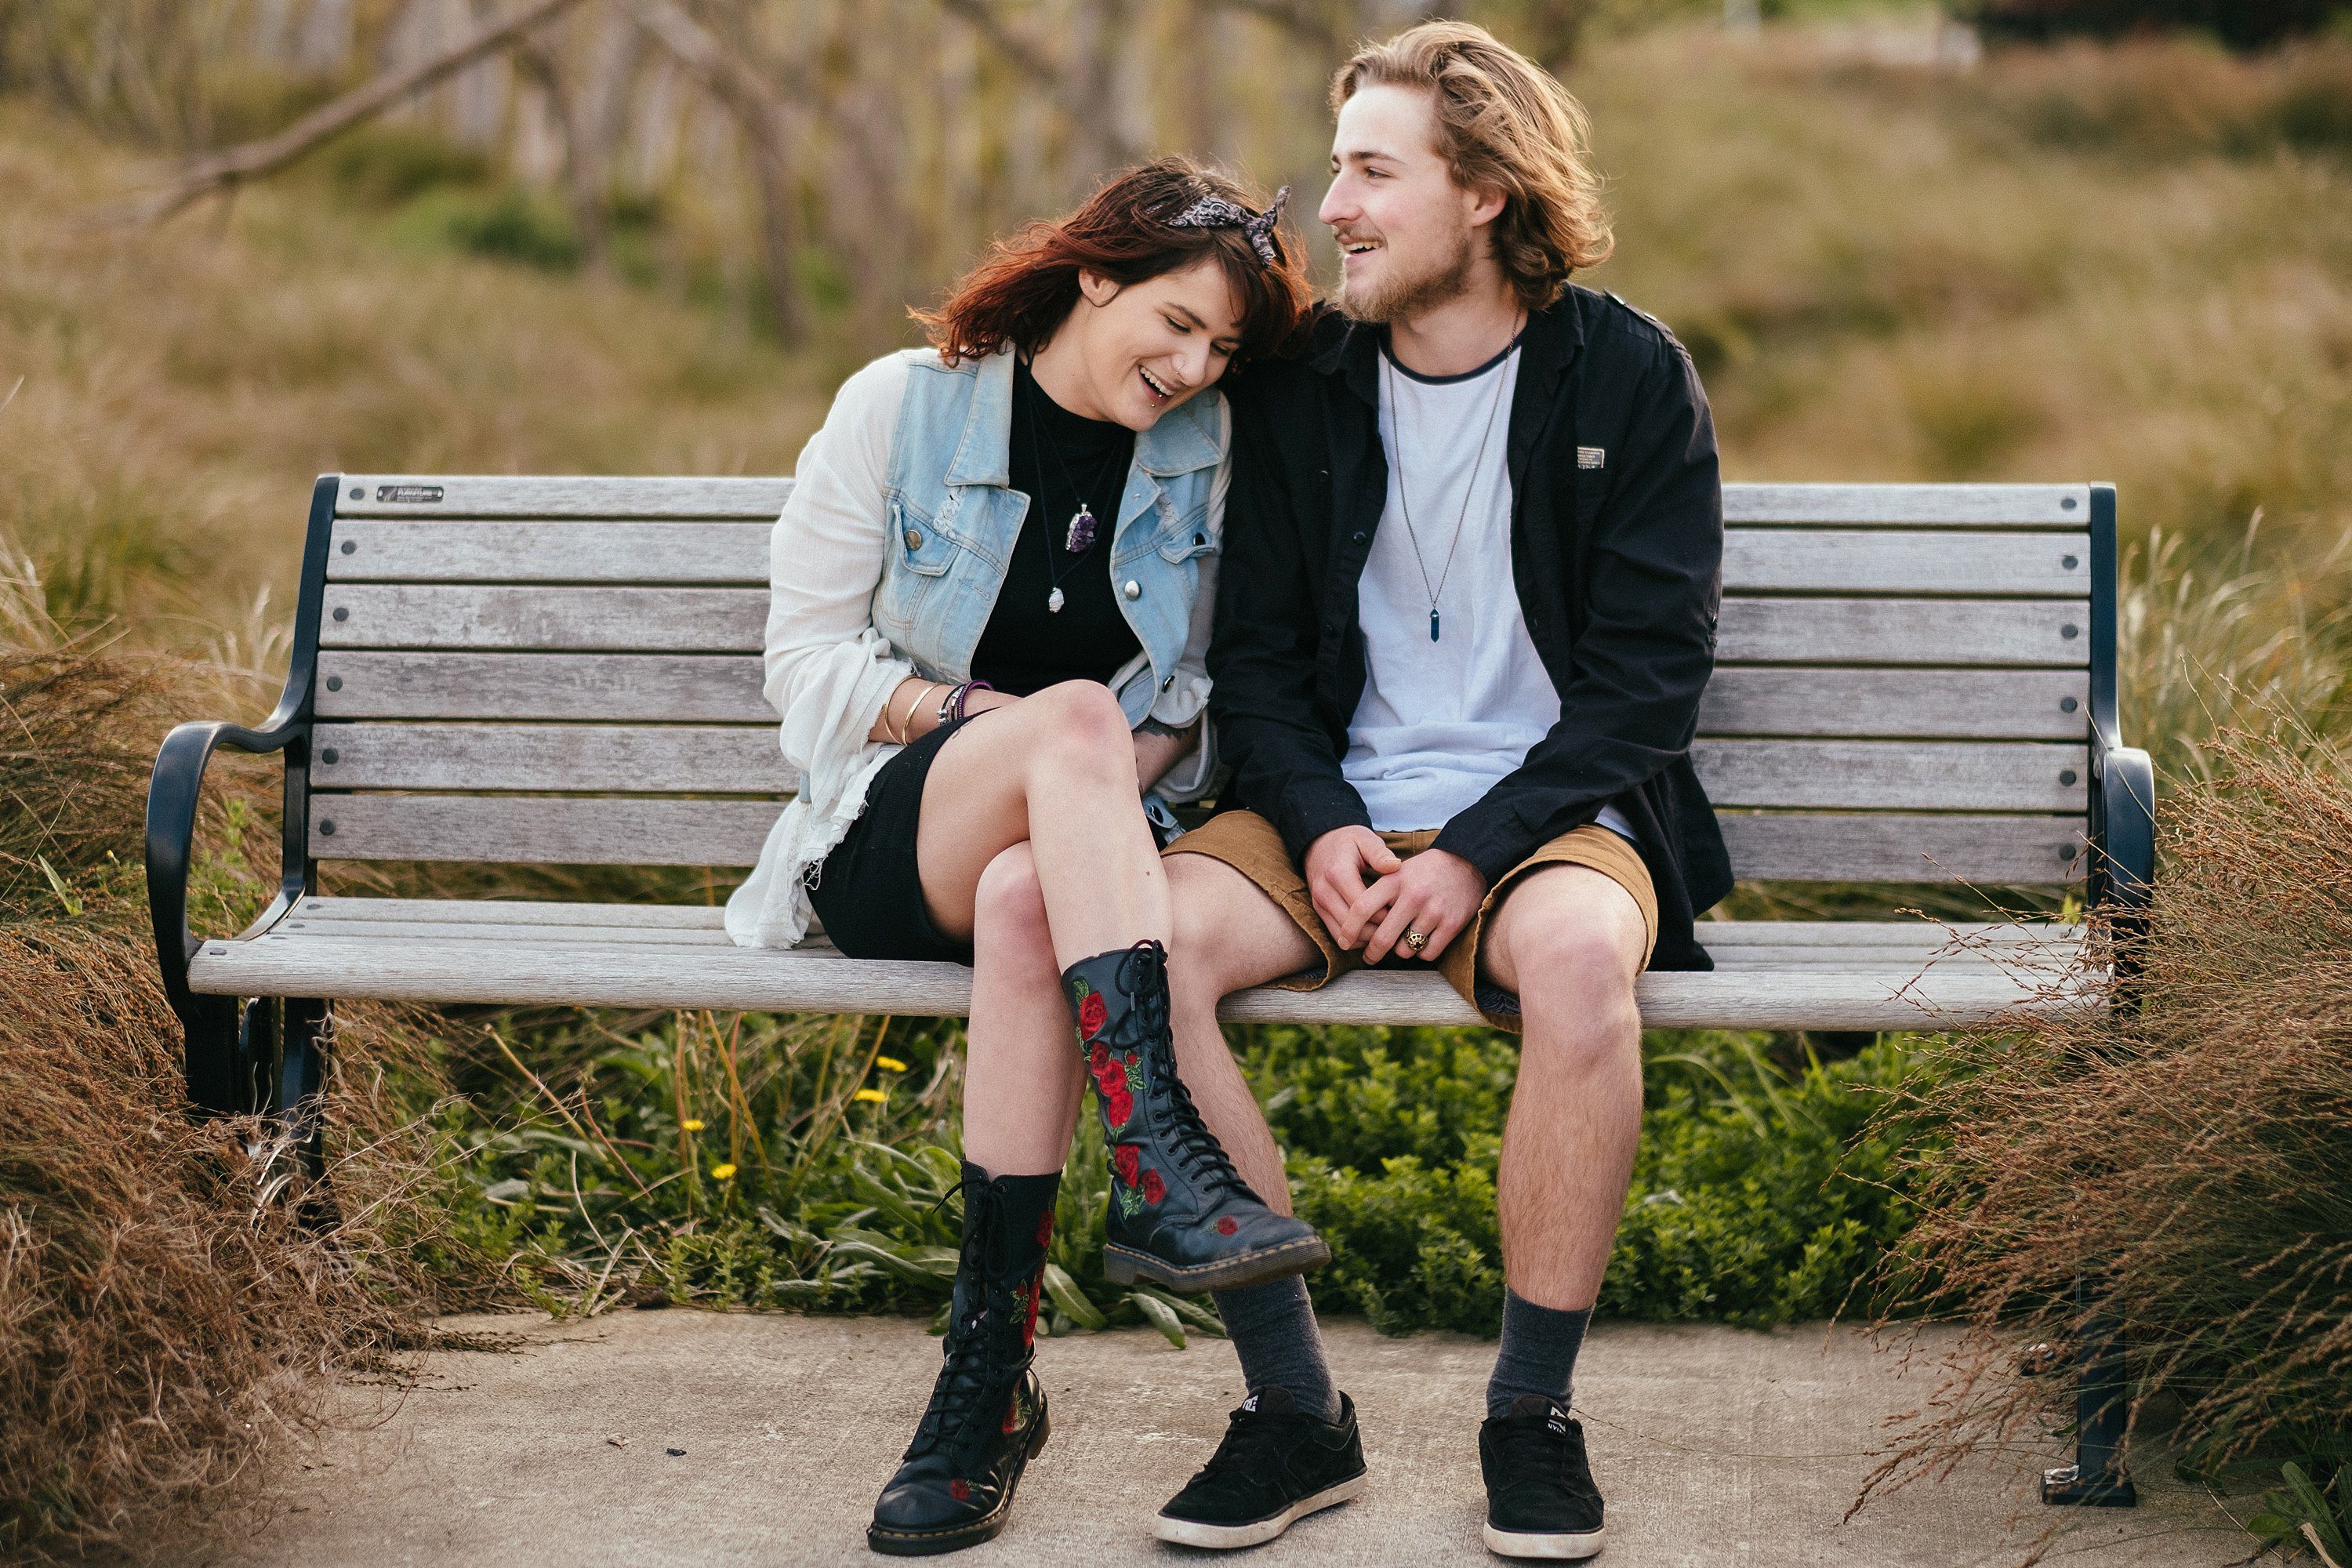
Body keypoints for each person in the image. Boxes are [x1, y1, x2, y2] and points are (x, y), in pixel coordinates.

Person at [1151, 23, 1731, 1557]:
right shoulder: (1304, 383)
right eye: (1339, 167)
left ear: (1485, 191)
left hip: (1545, 820)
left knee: (1582, 969)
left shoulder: (1628, 376)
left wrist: (1473, 851)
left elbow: (1647, 685)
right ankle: (1293, 1408)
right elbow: (1257, 662)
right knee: (1144, 947)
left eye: (1371, 173)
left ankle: (1530, 1417)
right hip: (1325, 808)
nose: (1333, 208)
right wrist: (1326, 821)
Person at [720, 160, 1325, 1556]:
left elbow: (1186, 700)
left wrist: (1087, 781)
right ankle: (1156, 1160)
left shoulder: (1206, 450)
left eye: (1222, 348)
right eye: (1176, 323)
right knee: (1069, 724)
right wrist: (993, 724)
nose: (1194, 367)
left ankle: (985, 1387)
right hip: (891, 828)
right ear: (1094, 274)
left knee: (1028, 896)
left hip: (1080, 855)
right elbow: (802, 665)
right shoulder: (899, 407)